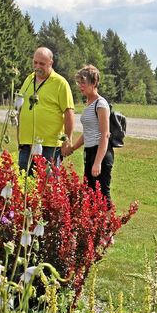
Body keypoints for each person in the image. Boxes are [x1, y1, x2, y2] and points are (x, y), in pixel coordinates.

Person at [17, 47, 75, 171]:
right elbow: (20, 106)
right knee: (24, 183)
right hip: (26, 143)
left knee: (48, 185)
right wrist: (19, 137)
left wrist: (67, 140)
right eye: (35, 62)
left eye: (42, 64)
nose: (37, 66)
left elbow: (69, 113)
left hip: (50, 145)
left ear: (51, 63)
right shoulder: (29, 79)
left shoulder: (61, 83)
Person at [63, 65, 114, 200]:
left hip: (100, 153)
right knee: (90, 193)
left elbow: (105, 135)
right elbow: (88, 133)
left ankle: (109, 221)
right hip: (89, 151)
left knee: (102, 194)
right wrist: (73, 148)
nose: (80, 86)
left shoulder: (101, 104)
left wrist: (97, 162)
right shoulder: (89, 103)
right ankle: (95, 221)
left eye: (83, 83)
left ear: (93, 83)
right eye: (79, 83)